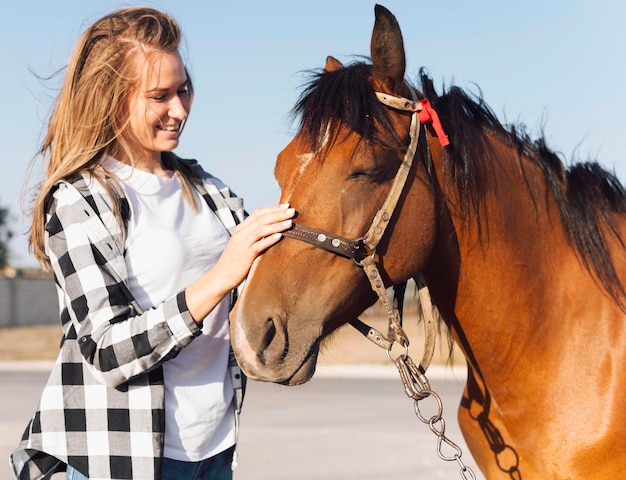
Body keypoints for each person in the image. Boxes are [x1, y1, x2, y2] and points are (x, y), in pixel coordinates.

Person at [10, 7, 294, 480]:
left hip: (215, 450)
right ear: (110, 99)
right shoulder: (80, 200)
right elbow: (108, 350)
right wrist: (221, 276)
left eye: (184, 89)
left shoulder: (211, 191)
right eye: (159, 96)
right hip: (118, 459)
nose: (180, 109)